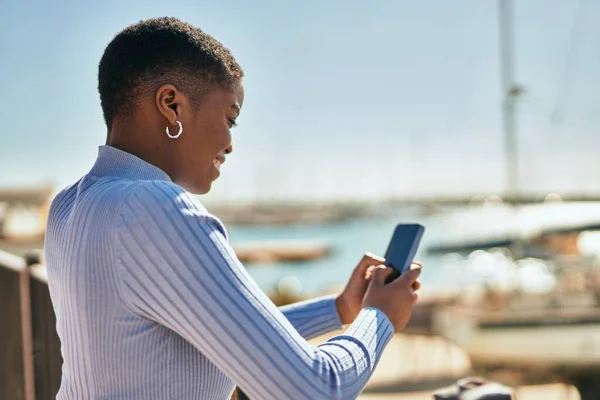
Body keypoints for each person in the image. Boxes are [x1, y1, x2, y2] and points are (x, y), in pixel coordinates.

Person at [44, 17, 421, 400]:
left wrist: (339, 309)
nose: (229, 144)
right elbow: (314, 391)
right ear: (171, 105)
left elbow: (214, 334)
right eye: (230, 118)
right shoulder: (156, 209)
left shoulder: (68, 208)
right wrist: (380, 317)